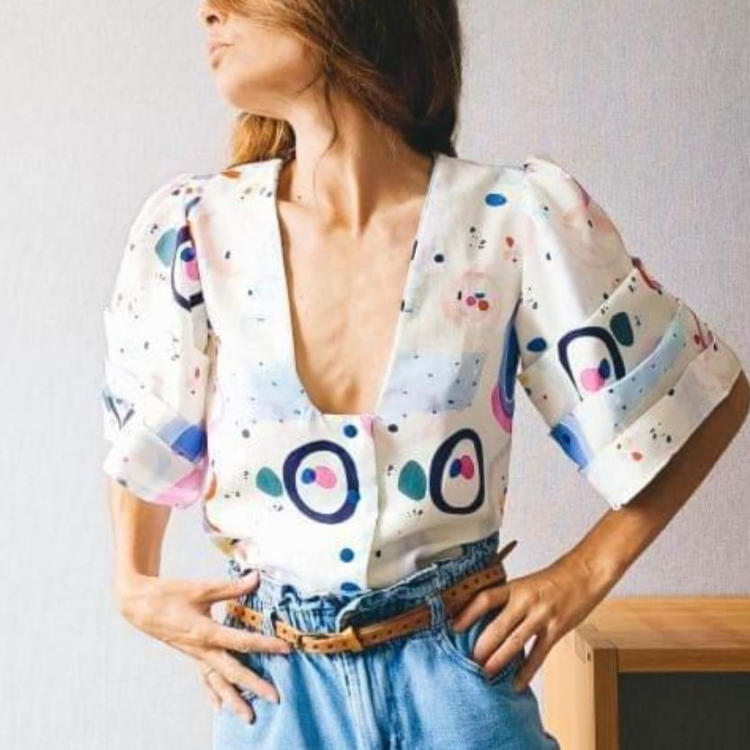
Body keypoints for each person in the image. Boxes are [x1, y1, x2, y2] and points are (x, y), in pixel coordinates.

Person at [100, 1, 747, 748]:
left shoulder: (510, 218)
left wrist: (581, 577)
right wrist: (133, 587)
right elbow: (145, 438)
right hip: (275, 691)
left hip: (457, 680)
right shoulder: (193, 229)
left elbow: (704, 395)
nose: (209, 10)